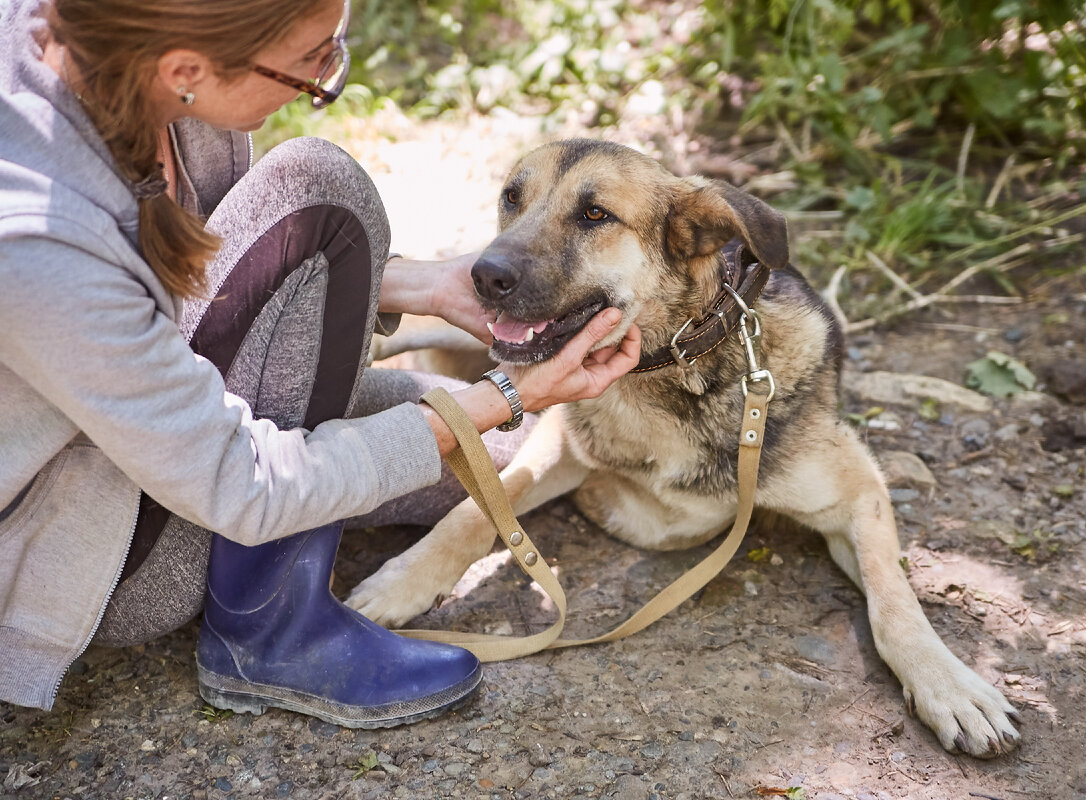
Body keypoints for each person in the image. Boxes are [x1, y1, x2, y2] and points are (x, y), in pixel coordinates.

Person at [0, 0, 642, 728]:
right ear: (186, 69)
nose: (324, 77)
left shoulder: (139, 67)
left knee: (504, 455)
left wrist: (421, 286)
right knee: (317, 194)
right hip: (96, 543)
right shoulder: (32, 238)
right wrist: (505, 390)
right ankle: (271, 635)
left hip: (162, 422)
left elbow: (208, 286)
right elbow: (243, 484)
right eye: (313, 61)